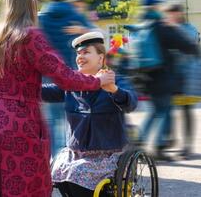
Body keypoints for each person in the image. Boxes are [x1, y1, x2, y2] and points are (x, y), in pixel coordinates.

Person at [0, 0, 114, 197]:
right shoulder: (30, 37)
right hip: (20, 123)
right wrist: (96, 82)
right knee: (22, 186)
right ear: (32, 4)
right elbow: (64, 77)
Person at [42, 31, 138, 197]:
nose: (80, 57)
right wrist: (22, 84)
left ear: (101, 58)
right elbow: (46, 92)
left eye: (86, 52)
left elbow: (131, 102)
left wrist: (114, 90)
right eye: (78, 53)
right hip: (75, 153)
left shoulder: (113, 80)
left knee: (77, 174)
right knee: (56, 173)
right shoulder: (71, 82)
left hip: (106, 155)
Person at [129, 0, 199, 160]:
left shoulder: (141, 26)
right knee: (163, 112)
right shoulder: (162, 26)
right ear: (155, 7)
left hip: (146, 78)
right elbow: (186, 45)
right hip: (163, 78)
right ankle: (155, 149)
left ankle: (138, 143)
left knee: (155, 112)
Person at [39, 0, 95, 157]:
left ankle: (53, 159)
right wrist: (82, 29)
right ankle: (66, 158)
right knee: (69, 117)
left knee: (52, 119)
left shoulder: (41, 17)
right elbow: (95, 35)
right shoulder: (73, 15)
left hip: (47, 73)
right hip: (69, 73)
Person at [163, 2, 201, 159]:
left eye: (173, 13)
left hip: (187, 76)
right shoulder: (170, 28)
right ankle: (171, 139)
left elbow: (190, 45)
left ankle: (187, 145)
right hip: (173, 76)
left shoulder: (189, 28)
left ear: (179, 13)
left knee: (186, 111)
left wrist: (173, 29)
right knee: (170, 109)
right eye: (168, 14)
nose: (170, 17)